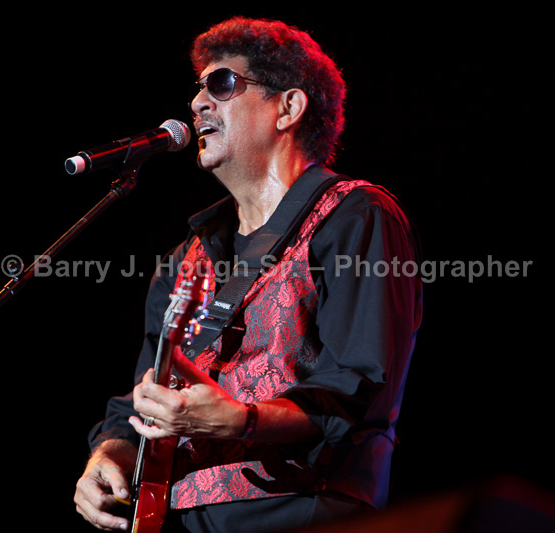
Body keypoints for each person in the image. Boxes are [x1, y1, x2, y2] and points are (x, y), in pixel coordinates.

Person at [74, 16, 423, 532]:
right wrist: (108, 454)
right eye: (198, 89)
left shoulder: (355, 216)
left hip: (301, 510)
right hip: (176, 520)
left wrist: (241, 419)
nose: (197, 103)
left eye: (222, 84)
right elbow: (142, 397)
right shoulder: (185, 257)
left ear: (288, 107)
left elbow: (358, 388)